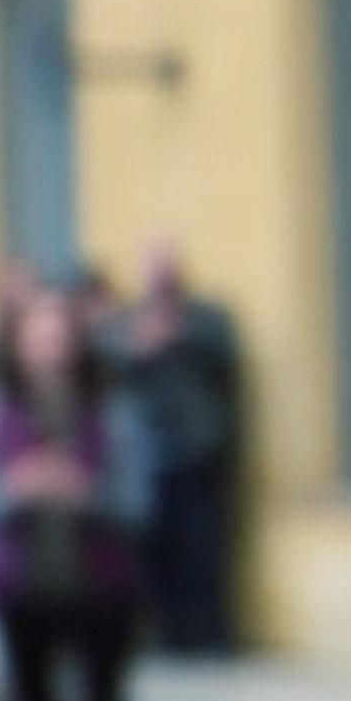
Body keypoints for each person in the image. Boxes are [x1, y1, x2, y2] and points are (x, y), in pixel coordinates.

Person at [0, 283, 148, 701]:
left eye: (58, 334)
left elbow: (138, 502)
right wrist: (15, 491)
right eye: (36, 335)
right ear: (18, 345)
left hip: (100, 593)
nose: (49, 347)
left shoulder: (111, 413)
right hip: (25, 597)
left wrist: (84, 494)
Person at [116, 242, 243, 655]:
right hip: (150, 454)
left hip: (198, 451)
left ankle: (210, 632)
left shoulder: (204, 317)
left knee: (203, 548)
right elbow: (111, 367)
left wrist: (177, 339)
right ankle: (167, 631)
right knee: (157, 552)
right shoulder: (129, 321)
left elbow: (224, 362)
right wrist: (140, 348)